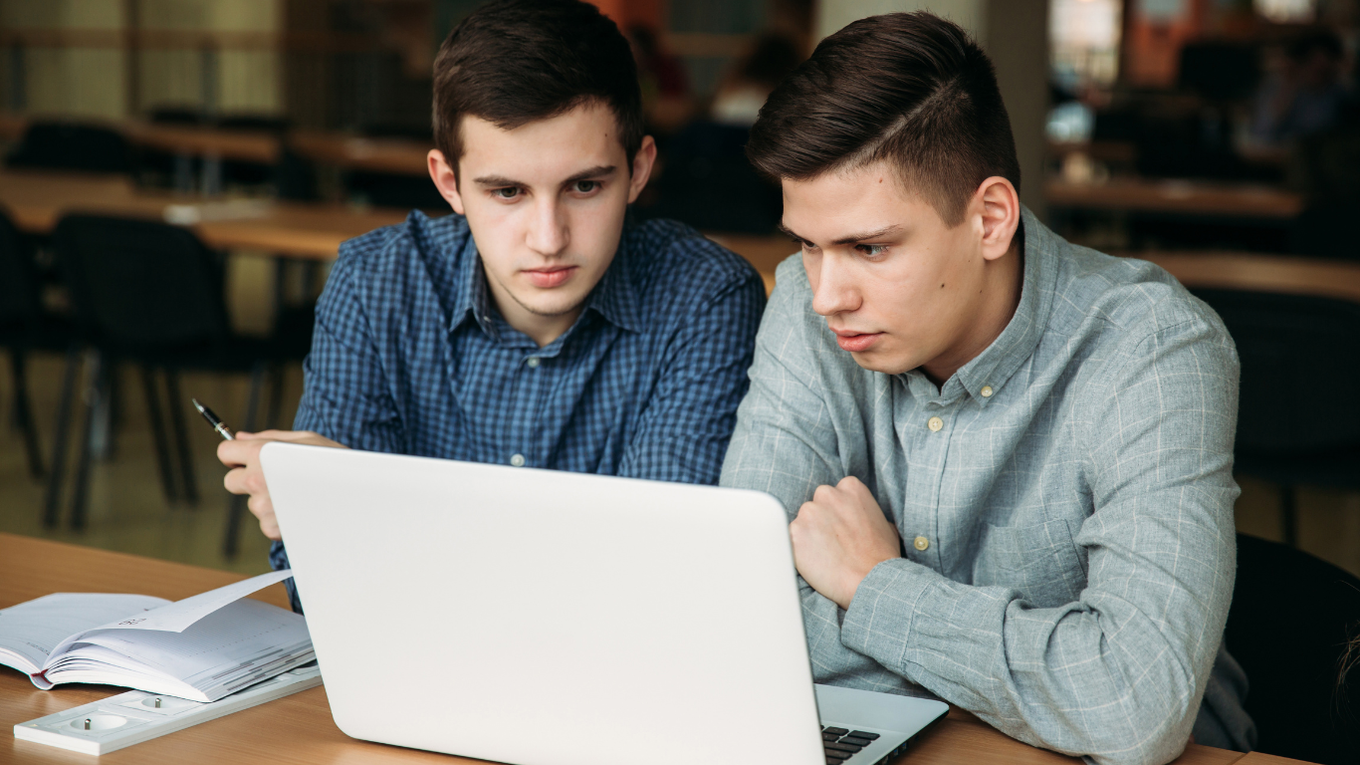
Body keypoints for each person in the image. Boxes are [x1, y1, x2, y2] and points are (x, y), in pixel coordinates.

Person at [719, 12, 1254, 765]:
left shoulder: (1154, 348)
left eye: (869, 247)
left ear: (990, 219)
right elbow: (737, 619)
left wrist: (872, 586)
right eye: (807, 243)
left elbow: (1133, 705)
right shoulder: (804, 313)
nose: (825, 294)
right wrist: (1043, 673)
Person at [218, 0, 765, 610]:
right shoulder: (376, 283)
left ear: (638, 171)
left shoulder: (706, 297)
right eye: (508, 192)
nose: (549, 237)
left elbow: (656, 580)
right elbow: (320, 589)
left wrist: (377, 516)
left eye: (585, 186)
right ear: (448, 183)